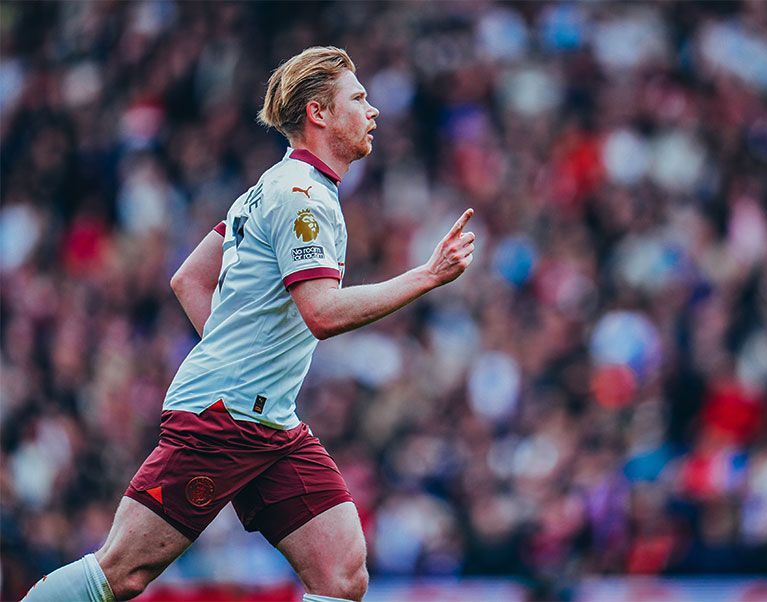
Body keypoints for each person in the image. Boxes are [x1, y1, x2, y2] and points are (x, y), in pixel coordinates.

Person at [23, 46, 476, 602]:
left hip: (269, 420)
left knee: (341, 574)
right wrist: (426, 276)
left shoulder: (271, 187)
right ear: (318, 113)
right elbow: (322, 313)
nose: (372, 110)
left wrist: (236, 359)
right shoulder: (302, 196)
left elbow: (189, 279)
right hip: (225, 416)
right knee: (122, 571)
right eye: (358, 98)